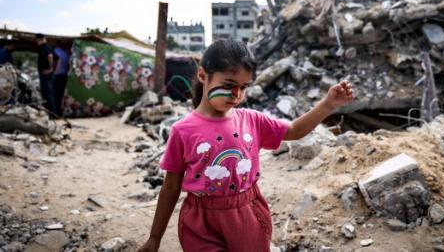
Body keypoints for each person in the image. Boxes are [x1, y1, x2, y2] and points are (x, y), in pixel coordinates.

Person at [138, 40, 354, 252]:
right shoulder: (182, 130)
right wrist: (155, 238)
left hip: (247, 214)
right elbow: (171, 187)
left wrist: (328, 104)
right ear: (203, 76)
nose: (237, 95)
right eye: (229, 85)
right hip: (200, 220)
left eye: (243, 87)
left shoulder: (252, 120)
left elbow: (293, 130)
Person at [36, 34, 55, 114]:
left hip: (46, 74)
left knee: (47, 94)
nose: (37, 42)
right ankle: (49, 112)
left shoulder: (45, 47)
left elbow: (50, 56)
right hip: (45, 74)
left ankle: (51, 113)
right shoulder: (46, 47)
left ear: (41, 40)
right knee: (46, 93)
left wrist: (51, 69)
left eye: (37, 40)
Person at [53, 47, 70, 116]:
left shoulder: (56, 50)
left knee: (56, 95)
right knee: (62, 95)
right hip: (65, 75)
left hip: (58, 75)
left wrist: (55, 72)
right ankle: (61, 112)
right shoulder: (67, 53)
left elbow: (58, 60)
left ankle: (56, 112)